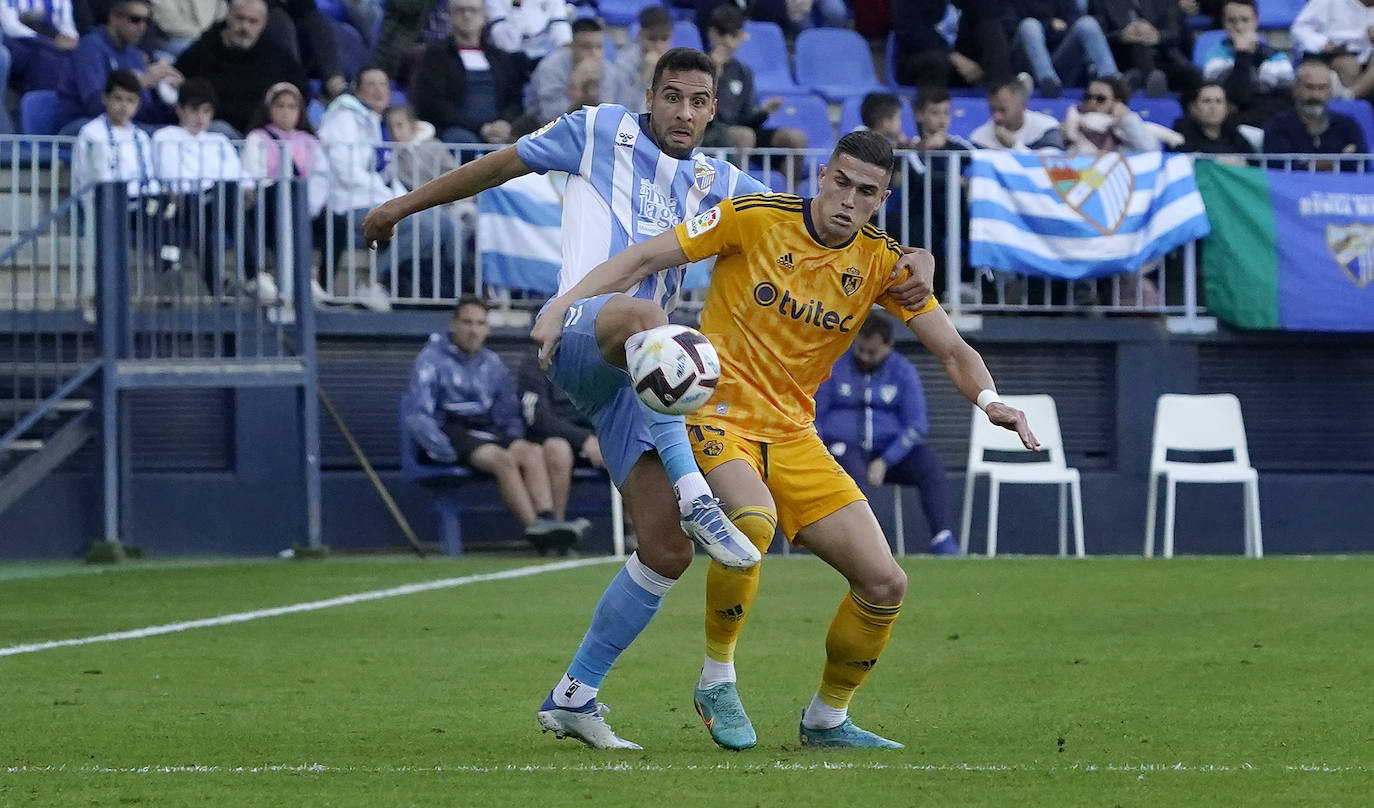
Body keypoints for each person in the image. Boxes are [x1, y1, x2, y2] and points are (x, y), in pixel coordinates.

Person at [365, 46, 937, 749]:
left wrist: (916, 258)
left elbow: (818, 217)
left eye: (700, 102)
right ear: (652, 93)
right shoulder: (598, 128)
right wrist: (402, 205)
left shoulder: (723, 180)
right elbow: (501, 164)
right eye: (673, 97)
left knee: (665, 551)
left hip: (643, 384)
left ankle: (574, 695)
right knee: (646, 316)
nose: (685, 113)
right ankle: (702, 494)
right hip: (582, 330)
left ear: (714, 109)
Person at [531, 129, 1037, 750]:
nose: (848, 200)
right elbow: (643, 258)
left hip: (795, 435)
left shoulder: (881, 262)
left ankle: (827, 719)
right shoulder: (753, 217)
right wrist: (565, 305)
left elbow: (953, 348)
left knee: (885, 584)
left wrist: (991, 401)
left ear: (882, 199)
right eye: (842, 183)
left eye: (866, 192)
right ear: (822, 175)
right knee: (751, 521)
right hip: (716, 416)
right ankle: (717, 677)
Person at [404, 296, 584, 553]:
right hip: (453, 430)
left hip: (487, 431)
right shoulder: (430, 359)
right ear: (453, 324)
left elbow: (508, 413)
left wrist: (513, 437)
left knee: (530, 451)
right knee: (504, 459)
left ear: (487, 329)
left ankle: (549, 521)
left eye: (480, 323)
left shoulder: (492, 363)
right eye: (467, 322)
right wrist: (444, 451)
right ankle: (539, 533)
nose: (473, 330)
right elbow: (418, 413)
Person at [815, 311, 961, 556]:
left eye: (872, 352)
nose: (864, 357)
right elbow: (815, 415)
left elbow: (917, 425)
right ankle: (868, 546)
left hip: (889, 452)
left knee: (930, 464)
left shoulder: (903, 371)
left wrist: (886, 460)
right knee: (850, 469)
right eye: (860, 349)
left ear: (889, 346)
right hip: (844, 449)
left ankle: (942, 538)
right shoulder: (834, 366)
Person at [314, 65, 458, 309]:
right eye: (371, 84)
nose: (378, 90)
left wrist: (401, 200)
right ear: (357, 90)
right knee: (426, 226)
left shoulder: (372, 121)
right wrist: (387, 198)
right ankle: (372, 280)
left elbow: (385, 176)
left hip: (374, 199)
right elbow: (345, 170)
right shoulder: (344, 118)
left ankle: (454, 292)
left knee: (444, 222)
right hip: (349, 204)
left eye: (383, 84)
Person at [150, 77, 260, 296]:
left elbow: (237, 174)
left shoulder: (219, 140)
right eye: (194, 110)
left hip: (216, 201)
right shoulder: (164, 137)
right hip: (183, 201)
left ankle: (254, 275)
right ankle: (216, 285)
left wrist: (247, 187)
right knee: (201, 210)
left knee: (228, 194)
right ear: (180, 110)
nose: (201, 118)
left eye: (206, 111)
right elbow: (170, 174)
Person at [174, 0, 308, 135]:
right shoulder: (201, 52)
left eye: (252, 21)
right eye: (239, 18)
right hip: (217, 132)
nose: (244, 26)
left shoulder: (277, 55)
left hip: (264, 134)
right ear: (228, 16)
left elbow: (299, 90)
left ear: (264, 23)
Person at [243, 81, 323, 300]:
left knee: (338, 223)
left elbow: (320, 177)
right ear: (269, 109)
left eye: (292, 107)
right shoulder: (257, 138)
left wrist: (311, 204)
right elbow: (254, 174)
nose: (286, 112)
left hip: (303, 203)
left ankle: (314, 279)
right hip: (267, 201)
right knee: (283, 199)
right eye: (280, 106)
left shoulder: (310, 141)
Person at [411, 0, 525, 146]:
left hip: (499, 130)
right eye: (460, 10)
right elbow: (433, 104)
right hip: (455, 131)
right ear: (450, 16)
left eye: (473, 10)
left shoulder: (500, 58)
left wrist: (504, 123)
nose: (467, 15)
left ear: (484, 16)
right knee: (463, 142)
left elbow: (514, 99)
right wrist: (480, 127)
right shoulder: (435, 56)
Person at [55, 0, 181, 131]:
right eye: (135, 19)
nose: (142, 26)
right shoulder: (90, 48)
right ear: (114, 17)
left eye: (146, 21)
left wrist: (175, 99)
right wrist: (139, 83)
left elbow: (144, 112)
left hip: (122, 125)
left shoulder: (135, 54)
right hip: (81, 125)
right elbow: (95, 107)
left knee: (175, 135)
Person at [517, 350, 604, 535]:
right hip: (554, 439)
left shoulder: (596, 360)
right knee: (558, 448)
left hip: (598, 435)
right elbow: (538, 418)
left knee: (636, 446)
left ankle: (636, 531)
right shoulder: (535, 363)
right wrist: (584, 439)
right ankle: (556, 526)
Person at [700, 4, 806, 154]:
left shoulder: (743, 71)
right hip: (707, 132)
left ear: (742, 36)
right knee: (744, 136)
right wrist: (714, 74)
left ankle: (791, 178)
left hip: (741, 132)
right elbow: (700, 113)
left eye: (734, 35)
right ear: (711, 33)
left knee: (795, 138)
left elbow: (747, 119)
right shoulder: (698, 65)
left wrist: (765, 112)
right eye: (723, 33)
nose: (728, 41)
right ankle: (739, 178)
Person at [1262, 56, 1368, 172]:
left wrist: (1307, 165)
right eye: (1309, 87)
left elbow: (1362, 164)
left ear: (1330, 91)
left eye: (1322, 88)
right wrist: (1334, 162)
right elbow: (1278, 167)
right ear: (1295, 88)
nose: (1315, 95)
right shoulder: (1278, 126)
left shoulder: (1347, 126)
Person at [525, 17, 641, 123]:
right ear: (572, 46)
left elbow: (609, 116)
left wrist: (591, 91)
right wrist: (574, 88)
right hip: (540, 127)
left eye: (599, 47)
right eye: (586, 47)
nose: (594, 54)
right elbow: (551, 116)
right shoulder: (551, 67)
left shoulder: (607, 69)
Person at [1200, 0, 1294, 127]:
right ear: (1224, 23)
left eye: (1245, 20)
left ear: (1256, 21)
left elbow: (1288, 98)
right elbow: (1236, 97)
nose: (1239, 27)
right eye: (1232, 21)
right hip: (1232, 127)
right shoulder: (1214, 57)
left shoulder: (1276, 57)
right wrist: (1242, 54)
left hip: (1270, 124)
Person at [1008, 0, 1118, 97]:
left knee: (1087, 23)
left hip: (1060, 62)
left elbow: (1073, 24)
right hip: (1028, 70)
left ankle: (1111, 81)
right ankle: (1047, 81)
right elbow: (1010, 29)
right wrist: (1049, 25)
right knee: (1030, 26)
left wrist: (1053, 29)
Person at [1091, 0, 1198, 97]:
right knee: (1139, 45)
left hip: (1162, 57)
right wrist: (1121, 36)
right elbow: (1096, 37)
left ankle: (1148, 79)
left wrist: (1157, 36)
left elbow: (1175, 33)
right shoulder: (1102, 2)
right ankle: (1150, 79)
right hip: (1124, 58)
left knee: (1192, 75)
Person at [1290, 0, 1374, 101]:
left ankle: (1349, 97)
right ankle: (1350, 106)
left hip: (1367, 54)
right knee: (1348, 66)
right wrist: (1323, 43)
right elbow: (1299, 28)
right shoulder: (1328, 2)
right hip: (1329, 52)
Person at [1062, 75, 1163, 154]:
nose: (1092, 103)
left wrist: (1127, 118)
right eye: (1088, 97)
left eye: (1100, 99)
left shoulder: (1126, 134)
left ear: (1118, 103)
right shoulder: (1072, 123)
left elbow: (1151, 151)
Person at [1, 0, 80, 95]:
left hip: (52, 39)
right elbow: (10, 27)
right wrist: (43, 41)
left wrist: (69, 38)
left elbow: (66, 23)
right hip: (17, 40)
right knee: (44, 56)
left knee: (69, 54)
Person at [969, 76, 1064, 150]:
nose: (997, 117)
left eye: (1003, 110)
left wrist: (1014, 145)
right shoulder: (979, 139)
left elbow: (1049, 167)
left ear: (1023, 105)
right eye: (993, 110)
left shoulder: (1047, 130)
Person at [1172, 81, 1256, 156]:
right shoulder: (1181, 133)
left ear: (1226, 108)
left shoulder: (1233, 134)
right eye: (1207, 101)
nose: (1213, 107)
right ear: (1193, 107)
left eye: (1219, 101)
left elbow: (1257, 164)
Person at [616, 5, 673, 97]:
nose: (658, 45)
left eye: (664, 39)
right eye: (652, 39)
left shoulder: (675, 60)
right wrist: (644, 78)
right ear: (640, 35)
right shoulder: (624, 62)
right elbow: (624, 106)